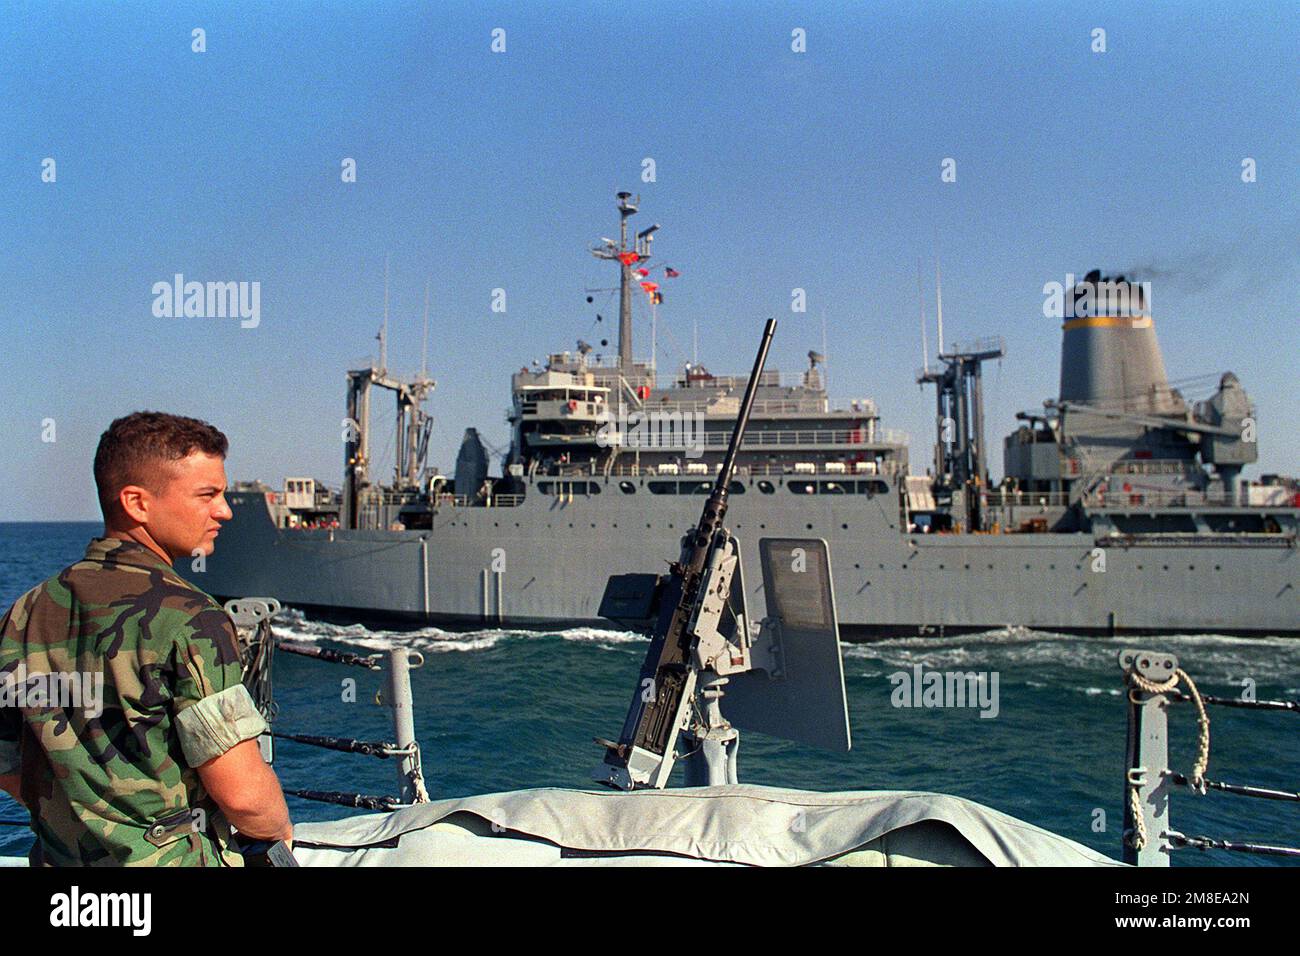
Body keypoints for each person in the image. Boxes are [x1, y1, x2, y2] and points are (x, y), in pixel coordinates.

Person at [0, 411, 292, 865]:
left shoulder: (26, 611)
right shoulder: (192, 618)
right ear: (137, 503)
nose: (225, 510)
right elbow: (244, 797)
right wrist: (279, 829)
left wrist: (84, 821)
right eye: (207, 494)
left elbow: (6, 763)